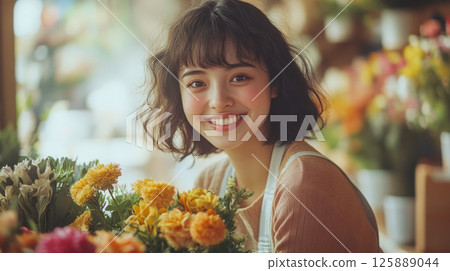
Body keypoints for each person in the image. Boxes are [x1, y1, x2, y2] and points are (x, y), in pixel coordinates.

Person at [145, 0, 380, 252]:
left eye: (239, 77)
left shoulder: (301, 186)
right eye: (196, 83)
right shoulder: (210, 182)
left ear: (276, 82)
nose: (218, 101)